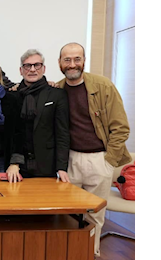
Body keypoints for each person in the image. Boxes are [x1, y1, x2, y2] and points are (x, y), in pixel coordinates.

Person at [57, 42, 132, 257]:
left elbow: (121, 127)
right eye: (67, 60)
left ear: (84, 61)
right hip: (69, 160)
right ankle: (70, 252)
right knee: (69, 213)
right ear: (60, 63)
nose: (72, 64)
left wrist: (108, 160)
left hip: (99, 159)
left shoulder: (103, 86)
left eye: (77, 59)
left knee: (95, 215)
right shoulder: (58, 89)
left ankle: (91, 252)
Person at [8, 49, 70, 183]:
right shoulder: (12, 96)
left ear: (44, 68)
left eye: (37, 65)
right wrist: (13, 163)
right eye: (27, 66)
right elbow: (10, 133)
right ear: (21, 70)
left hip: (47, 164)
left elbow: (62, 134)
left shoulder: (57, 94)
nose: (32, 69)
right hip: (18, 166)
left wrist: (62, 167)